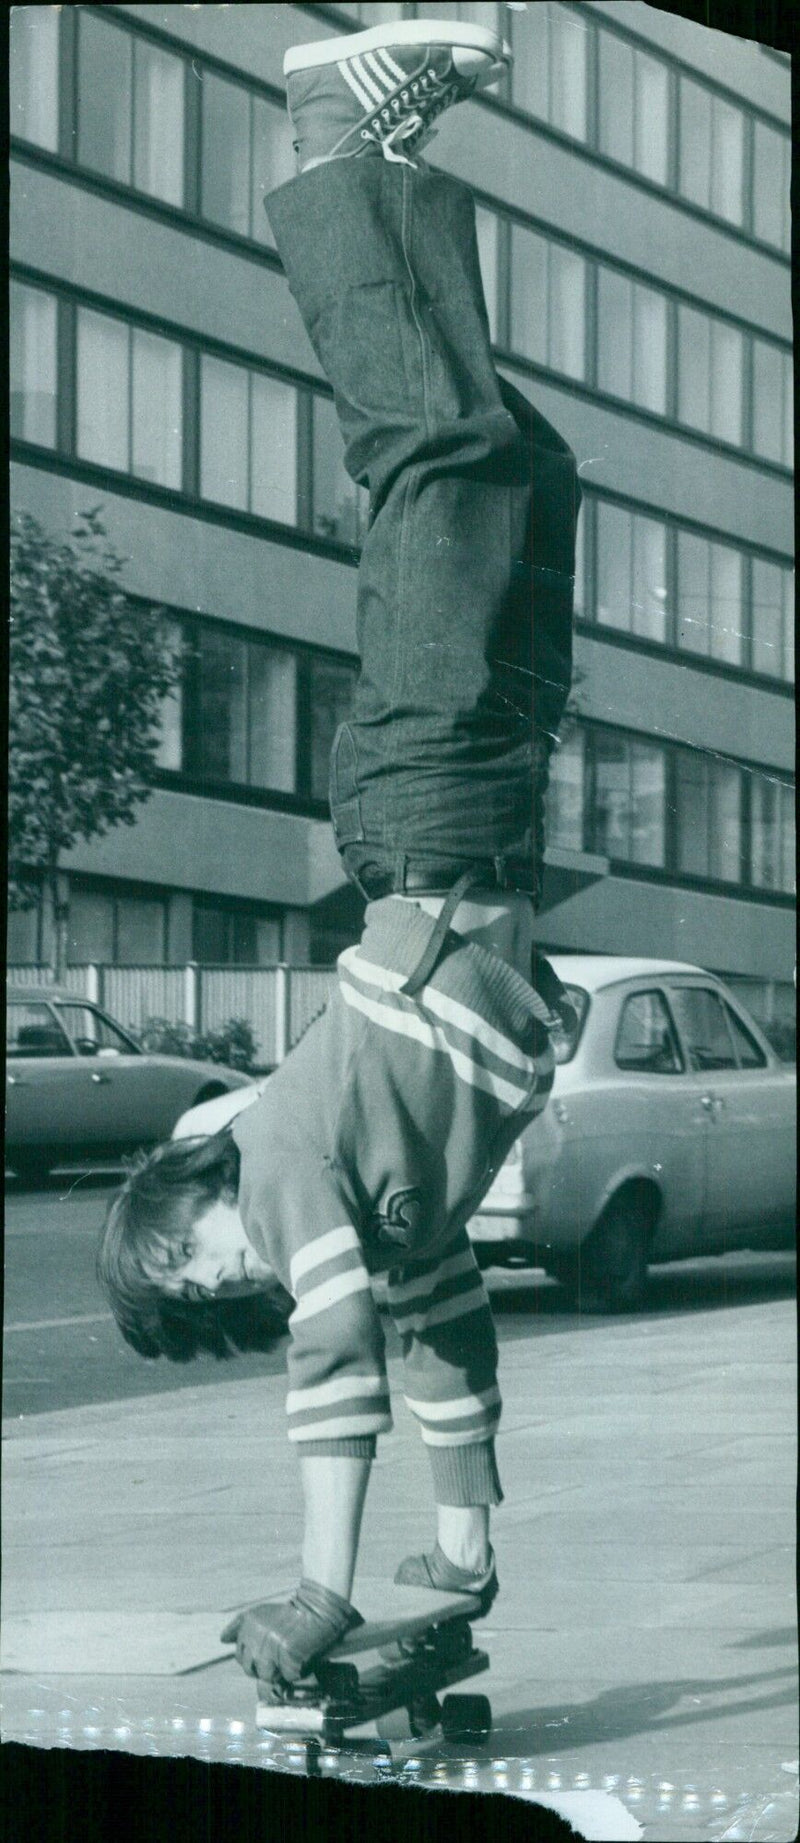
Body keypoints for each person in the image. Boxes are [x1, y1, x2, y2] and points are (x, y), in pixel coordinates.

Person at [97, 17, 582, 1693]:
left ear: (201, 1211)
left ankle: (331, 148)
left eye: (211, 1275)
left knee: (436, 460)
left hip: (429, 813)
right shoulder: (396, 1215)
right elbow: (442, 1341)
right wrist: (463, 1557)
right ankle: (386, 178)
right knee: (523, 464)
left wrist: (323, 1585)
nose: (265, 1283)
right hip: (486, 805)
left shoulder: (290, 1156)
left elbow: (335, 1359)